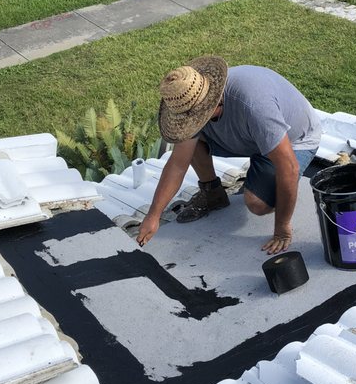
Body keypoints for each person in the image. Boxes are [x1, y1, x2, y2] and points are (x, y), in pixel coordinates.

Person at [136, 56, 322, 255]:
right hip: (252, 136)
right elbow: (178, 164)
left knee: (257, 204)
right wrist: (153, 215)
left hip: (294, 139)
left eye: (196, 118)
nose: (192, 122)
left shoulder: (255, 106)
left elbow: (290, 168)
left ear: (213, 104)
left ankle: (264, 175)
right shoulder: (191, 96)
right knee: (189, 139)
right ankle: (213, 194)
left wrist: (282, 229)